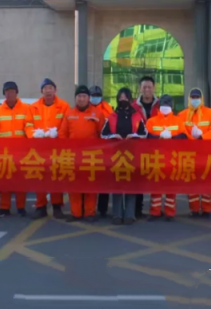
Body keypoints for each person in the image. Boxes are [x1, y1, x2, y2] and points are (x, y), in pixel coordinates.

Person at [102, 87, 147, 225]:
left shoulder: (137, 116)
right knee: (117, 186)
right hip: (115, 156)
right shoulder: (111, 116)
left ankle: (129, 215)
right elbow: (103, 134)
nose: (123, 99)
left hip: (132, 156)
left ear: (130, 99)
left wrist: (134, 136)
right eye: (120, 97)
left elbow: (145, 134)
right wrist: (112, 136)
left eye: (125, 97)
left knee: (131, 186)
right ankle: (117, 214)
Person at [60, 85, 105, 222]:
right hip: (73, 157)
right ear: (75, 98)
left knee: (91, 186)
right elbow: (62, 134)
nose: (81, 99)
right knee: (74, 186)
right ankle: (76, 213)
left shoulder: (97, 114)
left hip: (92, 156)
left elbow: (103, 135)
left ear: (88, 98)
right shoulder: (69, 114)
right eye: (79, 96)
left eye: (84, 96)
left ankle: (90, 212)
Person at [0, 81, 34, 218]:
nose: (10, 94)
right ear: (4, 94)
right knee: (5, 183)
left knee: (20, 182)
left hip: (21, 153)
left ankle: (21, 207)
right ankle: (4, 208)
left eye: (12, 91)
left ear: (17, 93)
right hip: (4, 154)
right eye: (7, 91)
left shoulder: (26, 109)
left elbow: (30, 126)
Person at [30, 78, 71, 220]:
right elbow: (28, 124)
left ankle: (57, 206)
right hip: (39, 149)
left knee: (56, 178)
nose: (48, 91)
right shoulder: (33, 107)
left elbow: (66, 124)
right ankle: (40, 206)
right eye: (45, 88)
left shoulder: (64, 106)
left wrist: (58, 134)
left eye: (50, 88)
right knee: (39, 178)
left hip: (56, 149)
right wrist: (34, 134)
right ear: (41, 91)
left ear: (55, 90)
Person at [178, 88, 211, 218]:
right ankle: (194, 209)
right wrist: (193, 140)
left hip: (207, 154)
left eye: (197, 97)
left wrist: (202, 137)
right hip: (190, 155)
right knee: (192, 184)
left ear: (201, 99)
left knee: (207, 183)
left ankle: (207, 209)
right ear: (189, 99)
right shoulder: (182, 115)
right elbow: (181, 132)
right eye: (193, 97)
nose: (195, 100)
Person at [145, 95, 188, 222]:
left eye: (168, 104)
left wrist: (172, 137)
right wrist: (159, 137)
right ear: (159, 106)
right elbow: (146, 138)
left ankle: (170, 212)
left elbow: (184, 137)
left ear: (172, 106)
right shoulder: (151, 121)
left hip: (173, 159)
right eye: (163, 104)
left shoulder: (178, 121)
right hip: (156, 159)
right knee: (155, 188)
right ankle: (155, 212)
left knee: (171, 188)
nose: (165, 107)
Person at [133, 76, 160, 218]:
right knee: (138, 179)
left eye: (149, 87)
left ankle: (156, 209)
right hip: (139, 148)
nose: (147, 90)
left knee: (157, 178)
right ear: (140, 89)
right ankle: (138, 209)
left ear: (154, 88)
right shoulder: (134, 106)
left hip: (158, 148)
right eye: (144, 87)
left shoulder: (161, 105)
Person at [89, 85, 114, 218]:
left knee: (104, 181)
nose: (95, 98)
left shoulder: (108, 109)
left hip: (105, 149)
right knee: (89, 179)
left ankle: (102, 209)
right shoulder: (84, 107)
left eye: (97, 95)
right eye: (93, 95)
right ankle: (88, 207)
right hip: (89, 150)